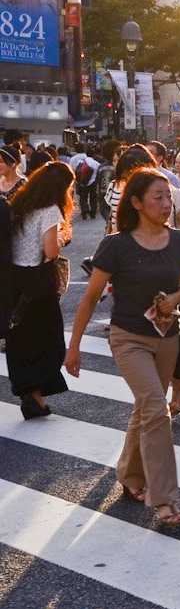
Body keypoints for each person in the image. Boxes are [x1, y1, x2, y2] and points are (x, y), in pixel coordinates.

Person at [64, 168, 180, 526]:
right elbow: (90, 297)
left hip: (167, 337)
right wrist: (74, 346)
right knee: (156, 409)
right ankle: (164, 498)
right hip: (128, 338)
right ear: (136, 202)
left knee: (145, 409)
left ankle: (130, 474)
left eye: (168, 197)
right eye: (158, 197)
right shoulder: (116, 245)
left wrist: (176, 297)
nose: (166, 204)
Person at [7, 162, 74, 419]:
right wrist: (62, 238)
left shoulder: (20, 204)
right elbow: (50, 251)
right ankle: (35, 395)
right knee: (47, 339)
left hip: (15, 278)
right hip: (39, 279)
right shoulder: (50, 210)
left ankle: (28, 393)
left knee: (20, 338)